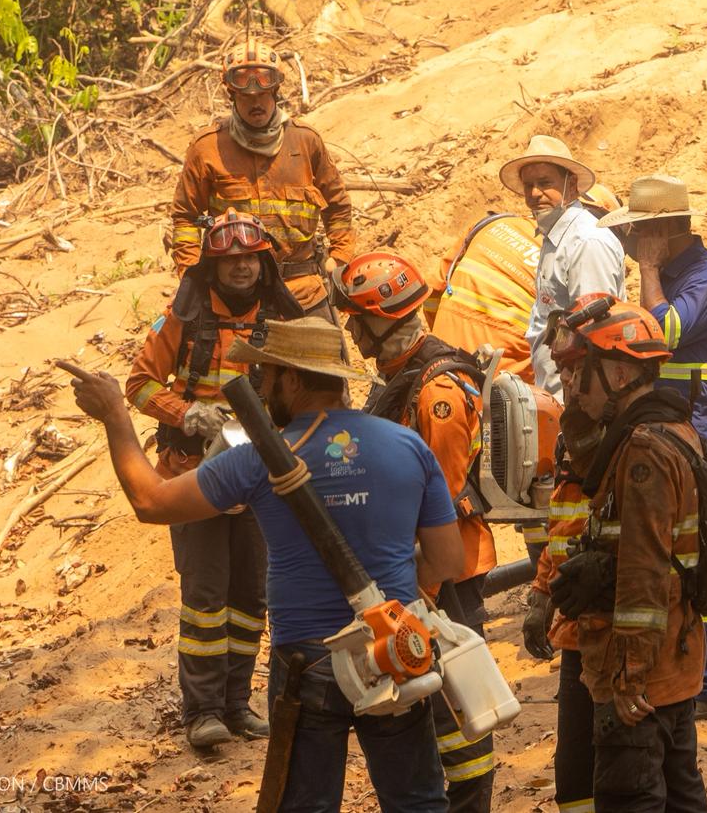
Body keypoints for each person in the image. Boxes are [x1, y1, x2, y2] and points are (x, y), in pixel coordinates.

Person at [68, 317, 464, 811]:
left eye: (267, 376)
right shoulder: (407, 445)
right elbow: (448, 559)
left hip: (308, 663)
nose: (261, 387)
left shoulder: (261, 459)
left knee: (303, 805)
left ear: (293, 379)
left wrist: (115, 417)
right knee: (418, 803)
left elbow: (151, 503)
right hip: (395, 653)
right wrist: (395, 602)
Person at [125, 209, 304, 748]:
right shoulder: (183, 317)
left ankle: (236, 704)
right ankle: (201, 712)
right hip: (194, 474)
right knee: (206, 595)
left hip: (261, 475)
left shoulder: (282, 317)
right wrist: (185, 414)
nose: (243, 267)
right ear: (212, 265)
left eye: (251, 257)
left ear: (264, 260)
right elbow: (137, 383)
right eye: (231, 259)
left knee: (251, 595)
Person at [329, 252, 496, 812]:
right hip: (417, 566)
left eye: (357, 320)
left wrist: (420, 587)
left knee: (457, 707)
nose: (352, 331)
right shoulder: (400, 380)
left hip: (444, 569)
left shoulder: (436, 392)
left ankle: (470, 802)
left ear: (381, 320)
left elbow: (442, 501)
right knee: (431, 702)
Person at [547, 298, 707, 813]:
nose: (572, 386)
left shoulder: (643, 451)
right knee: (681, 796)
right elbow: (593, 470)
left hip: (639, 676)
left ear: (618, 372)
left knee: (627, 797)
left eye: (582, 374)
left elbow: (643, 572)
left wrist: (628, 677)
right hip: (673, 664)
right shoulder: (671, 430)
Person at [598, 174, 707, 719]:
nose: (631, 241)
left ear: (661, 231)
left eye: (638, 232)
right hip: (675, 432)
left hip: (702, 436)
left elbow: (663, 332)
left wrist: (650, 270)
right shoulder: (679, 274)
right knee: (671, 553)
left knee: (705, 555)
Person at [169, 37, 355, 317]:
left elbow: (338, 207)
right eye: (245, 96)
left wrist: (338, 259)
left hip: (304, 291)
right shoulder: (207, 148)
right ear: (232, 95)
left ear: (276, 92)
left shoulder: (305, 141)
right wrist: (191, 274)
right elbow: (186, 217)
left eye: (262, 96)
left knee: (324, 359)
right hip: (235, 298)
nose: (255, 104)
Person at [521, 294, 615, 813]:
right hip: (578, 627)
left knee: (623, 771)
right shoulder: (574, 432)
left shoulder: (635, 436)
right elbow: (563, 522)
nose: (569, 385)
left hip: (617, 634)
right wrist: (541, 597)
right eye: (564, 372)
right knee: (574, 772)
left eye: (579, 371)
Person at [423, 180, 621, 382]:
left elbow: (434, 293)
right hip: (495, 387)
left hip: (437, 368)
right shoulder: (576, 252)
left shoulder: (492, 224)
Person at [498, 135, 625, 398]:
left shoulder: (585, 243)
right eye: (528, 185)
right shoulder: (555, 238)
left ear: (572, 185)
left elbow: (593, 332)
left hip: (582, 397)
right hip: (559, 395)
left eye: (545, 183)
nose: (534, 194)